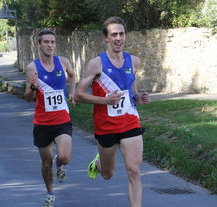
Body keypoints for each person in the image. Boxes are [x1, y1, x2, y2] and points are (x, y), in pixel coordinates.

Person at [74, 16, 150, 207]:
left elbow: (131, 89)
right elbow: (78, 95)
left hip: (130, 122)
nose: (118, 38)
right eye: (114, 34)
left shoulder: (133, 61)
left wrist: (138, 98)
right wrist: (104, 100)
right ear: (106, 38)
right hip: (106, 127)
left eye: (121, 34)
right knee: (108, 174)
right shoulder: (96, 64)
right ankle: (98, 164)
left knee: (134, 170)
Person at [24, 29, 76, 207]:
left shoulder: (63, 62)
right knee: (46, 164)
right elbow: (28, 98)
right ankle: (50, 194)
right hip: (42, 123)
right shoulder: (32, 67)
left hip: (62, 119)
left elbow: (73, 74)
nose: (50, 45)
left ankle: (60, 164)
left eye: (52, 42)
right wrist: (32, 86)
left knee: (64, 157)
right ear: (39, 44)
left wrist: (73, 92)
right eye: (46, 42)